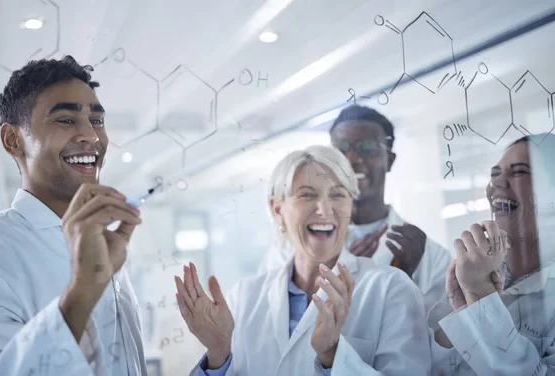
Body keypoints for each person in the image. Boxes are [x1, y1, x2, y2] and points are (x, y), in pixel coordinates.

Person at [0, 56, 147, 375]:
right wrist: (81, 294)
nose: (92, 136)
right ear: (12, 140)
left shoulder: (103, 244)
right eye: (66, 120)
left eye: (97, 121)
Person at [175, 145, 432, 375]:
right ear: (278, 209)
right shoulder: (244, 298)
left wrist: (332, 356)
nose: (324, 209)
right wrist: (219, 354)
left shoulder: (391, 290)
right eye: (307, 195)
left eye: (338, 195)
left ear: (350, 207)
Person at [259, 105, 452, 312]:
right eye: (341, 150)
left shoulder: (429, 255)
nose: (351, 160)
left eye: (367, 148)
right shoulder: (288, 249)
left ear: (390, 161)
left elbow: (437, 337)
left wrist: (403, 279)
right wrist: (335, 268)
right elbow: (275, 325)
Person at [429, 133, 555, 375]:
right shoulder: (474, 276)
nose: (496, 184)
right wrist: (465, 307)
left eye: (518, 172)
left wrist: (482, 297)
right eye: (495, 174)